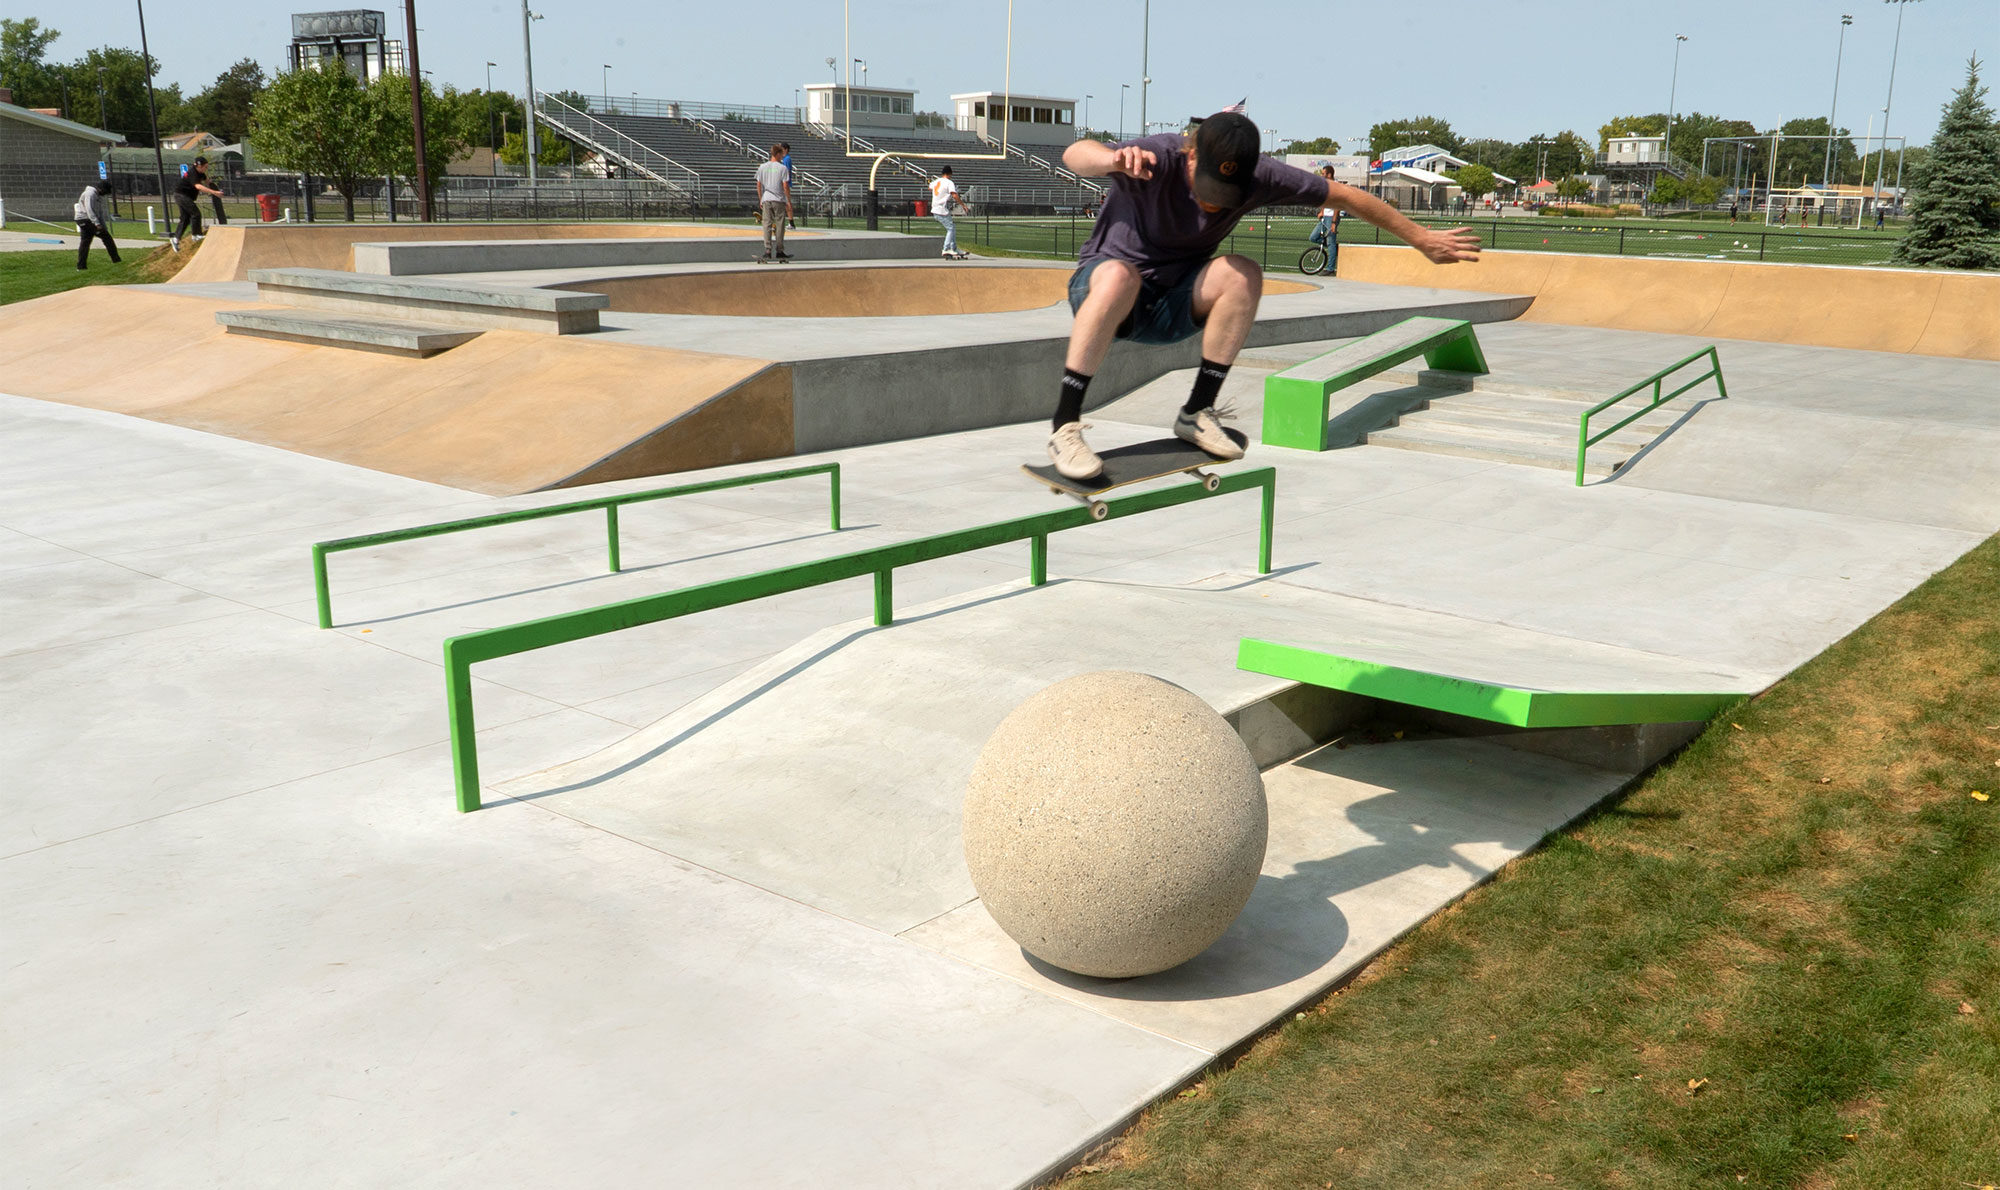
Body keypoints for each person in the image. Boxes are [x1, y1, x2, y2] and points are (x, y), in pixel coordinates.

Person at [1045, 110, 1480, 478]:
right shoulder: (1157, 155)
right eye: (1208, 191)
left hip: (1177, 304)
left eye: (1225, 197)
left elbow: (1348, 196)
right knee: (1121, 275)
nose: (1214, 206)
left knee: (1243, 273)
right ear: (1190, 156)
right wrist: (1111, 159)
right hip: (1105, 296)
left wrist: (1421, 238)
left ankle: (1197, 411)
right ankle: (1065, 426)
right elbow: (1074, 154)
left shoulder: (1262, 176)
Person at [170, 157, 223, 251]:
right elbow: (198, 186)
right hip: (181, 195)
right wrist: (214, 192)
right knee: (196, 213)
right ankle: (196, 235)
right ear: (199, 166)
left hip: (183, 196)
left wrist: (211, 184)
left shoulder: (200, 173)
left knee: (185, 218)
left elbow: (207, 180)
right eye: (205, 167)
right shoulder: (193, 173)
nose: (206, 169)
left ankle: (175, 239)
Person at [73, 176, 122, 270]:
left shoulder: (97, 196)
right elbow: (89, 210)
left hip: (88, 220)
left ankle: (81, 266)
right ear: (101, 189)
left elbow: (99, 214)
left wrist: (104, 226)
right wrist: (97, 224)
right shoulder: (90, 194)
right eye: (105, 192)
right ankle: (116, 260)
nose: (105, 195)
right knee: (107, 238)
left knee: (85, 242)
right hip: (84, 219)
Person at [755, 143, 792, 261]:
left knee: (767, 224)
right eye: (781, 154)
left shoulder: (762, 167)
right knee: (780, 224)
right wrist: (788, 200)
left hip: (767, 198)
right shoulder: (782, 168)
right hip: (778, 199)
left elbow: (759, 184)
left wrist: (761, 198)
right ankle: (780, 250)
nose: (782, 156)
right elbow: (785, 185)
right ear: (777, 154)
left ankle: (767, 249)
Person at [1309, 165, 1343, 275]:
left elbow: (1338, 205)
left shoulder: (1336, 187)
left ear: (1329, 175)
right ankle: (1333, 247)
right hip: (1325, 217)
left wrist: (1333, 223)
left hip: (1332, 217)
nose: (1322, 175)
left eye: (1323, 174)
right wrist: (1322, 212)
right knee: (1313, 237)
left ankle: (1330, 269)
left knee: (1330, 242)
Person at [929, 165, 969, 260]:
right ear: (950, 173)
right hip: (941, 209)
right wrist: (963, 205)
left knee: (952, 227)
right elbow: (954, 195)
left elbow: (930, 187)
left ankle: (954, 249)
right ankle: (946, 248)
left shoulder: (936, 181)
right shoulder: (949, 182)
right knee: (950, 228)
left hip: (936, 208)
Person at [778, 141, 796, 229]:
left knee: (787, 203)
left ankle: (791, 222)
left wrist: (784, 182)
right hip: (784, 183)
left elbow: (787, 171)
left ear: (785, 149)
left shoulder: (787, 159)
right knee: (784, 203)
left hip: (786, 184)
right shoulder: (784, 159)